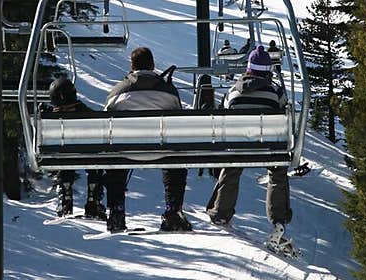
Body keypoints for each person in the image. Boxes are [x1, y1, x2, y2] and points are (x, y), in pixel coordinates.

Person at [205, 45, 294, 243]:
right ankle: (278, 219)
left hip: (238, 147)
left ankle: (221, 212)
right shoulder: (275, 92)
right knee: (277, 173)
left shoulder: (233, 93)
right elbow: (285, 115)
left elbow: (222, 116)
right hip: (269, 148)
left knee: (231, 169)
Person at [103, 45, 191, 233]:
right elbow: (178, 118)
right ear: (152, 65)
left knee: (113, 165)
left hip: (126, 151)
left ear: (132, 66)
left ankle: (117, 212)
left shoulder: (119, 91)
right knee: (176, 163)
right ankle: (172, 211)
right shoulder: (168, 90)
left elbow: (106, 119)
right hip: (162, 150)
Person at [43, 76, 106, 219]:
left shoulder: (50, 119)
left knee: (64, 159)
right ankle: (93, 200)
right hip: (89, 155)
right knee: (95, 163)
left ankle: (65, 199)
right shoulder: (87, 114)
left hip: (62, 156)